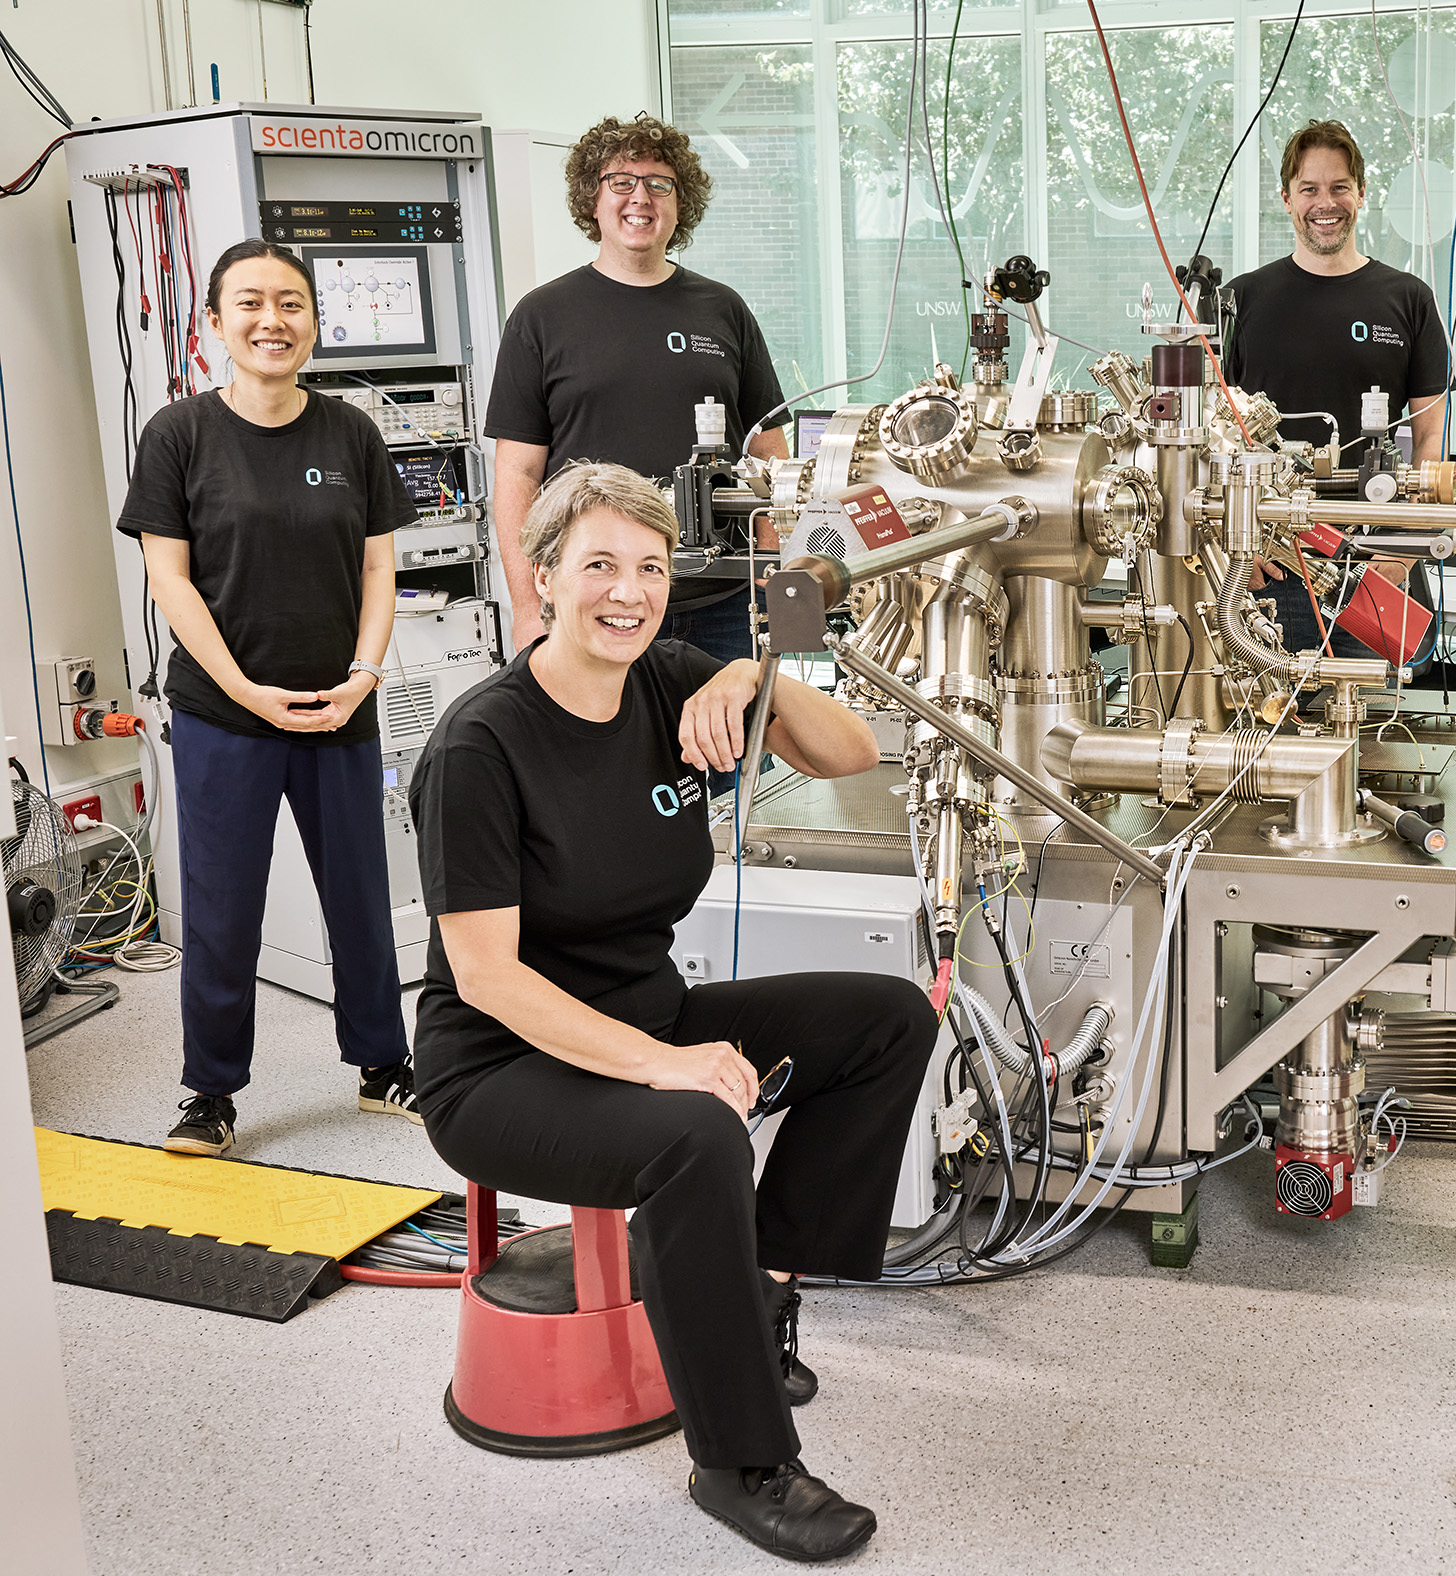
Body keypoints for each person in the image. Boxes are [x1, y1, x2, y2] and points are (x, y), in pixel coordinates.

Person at [409, 461, 932, 1563]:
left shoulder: (669, 680)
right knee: (697, 1134)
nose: (628, 592)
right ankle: (742, 1464)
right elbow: (487, 976)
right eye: (598, 564)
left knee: (886, 1020)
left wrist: (753, 674)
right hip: (498, 1067)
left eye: (649, 568)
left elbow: (852, 753)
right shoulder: (479, 746)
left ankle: (760, 1292)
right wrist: (665, 1064)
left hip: (647, 1013)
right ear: (543, 576)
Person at [117, 239, 415, 1158]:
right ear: (215, 323)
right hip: (222, 714)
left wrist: (364, 676)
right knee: (223, 908)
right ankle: (210, 1092)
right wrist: (244, 688)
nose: (271, 321)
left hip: (339, 707)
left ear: (314, 324)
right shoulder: (179, 434)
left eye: (291, 303)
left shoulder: (351, 433)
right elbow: (169, 580)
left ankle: (383, 1065)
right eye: (249, 303)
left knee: (360, 897)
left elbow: (378, 569)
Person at [485, 113, 789, 662]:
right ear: (593, 200)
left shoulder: (723, 309)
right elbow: (517, 475)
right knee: (603, 723)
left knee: (734, 722)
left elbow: (769, 453)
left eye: (659, 184)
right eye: (621, 182)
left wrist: (768, 567)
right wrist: (528, 609)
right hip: (596, 600)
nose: (640, 198)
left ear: (681, 202)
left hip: (723, 601)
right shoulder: (541, 317)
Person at [1221, 118, 1453, 662]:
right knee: (1264, 710)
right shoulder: (1242, 300)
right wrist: (1239, 546)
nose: (1325, 203)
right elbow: (1214, 437)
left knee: (1368, 711)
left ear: (1361, 193)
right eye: (1309, 189)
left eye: (1339, 187)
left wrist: (1401, 551)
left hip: (1373, 562)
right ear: (1286, 198)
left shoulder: (1409, 299)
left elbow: (1430, 441)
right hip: (1271, 565)